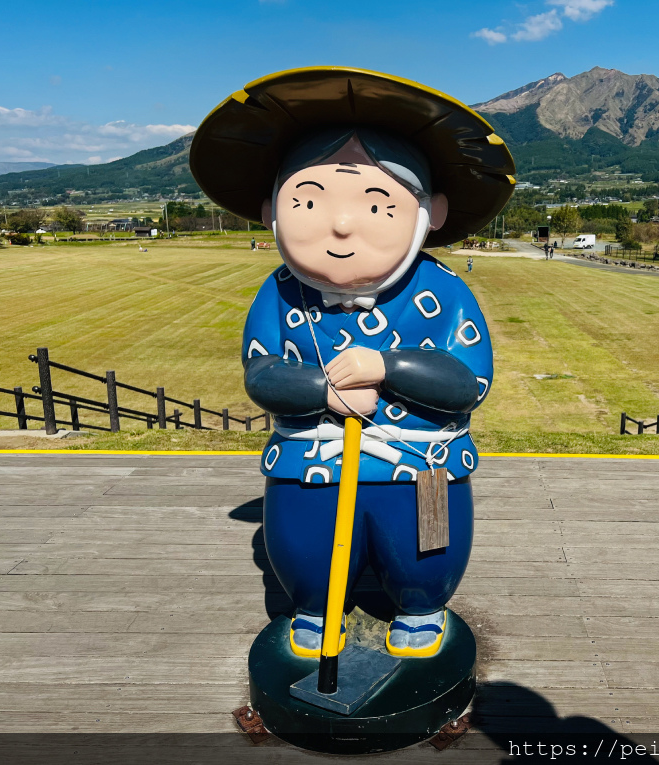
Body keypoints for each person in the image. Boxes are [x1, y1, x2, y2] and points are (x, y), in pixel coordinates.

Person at [189, 67, 512, 659]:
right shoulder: (280, 292)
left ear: (431, 213)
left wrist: (388, 367)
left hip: (422, 463)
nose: (341, 225)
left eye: (379, 206)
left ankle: (422, 605)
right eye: (308, 201)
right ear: (271, 211)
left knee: (426, 546)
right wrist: (322, 390)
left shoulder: (444, 293)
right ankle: (315, 606)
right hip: (312, 459)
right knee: (302, 543)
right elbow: (261, 373)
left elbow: (469, 381)